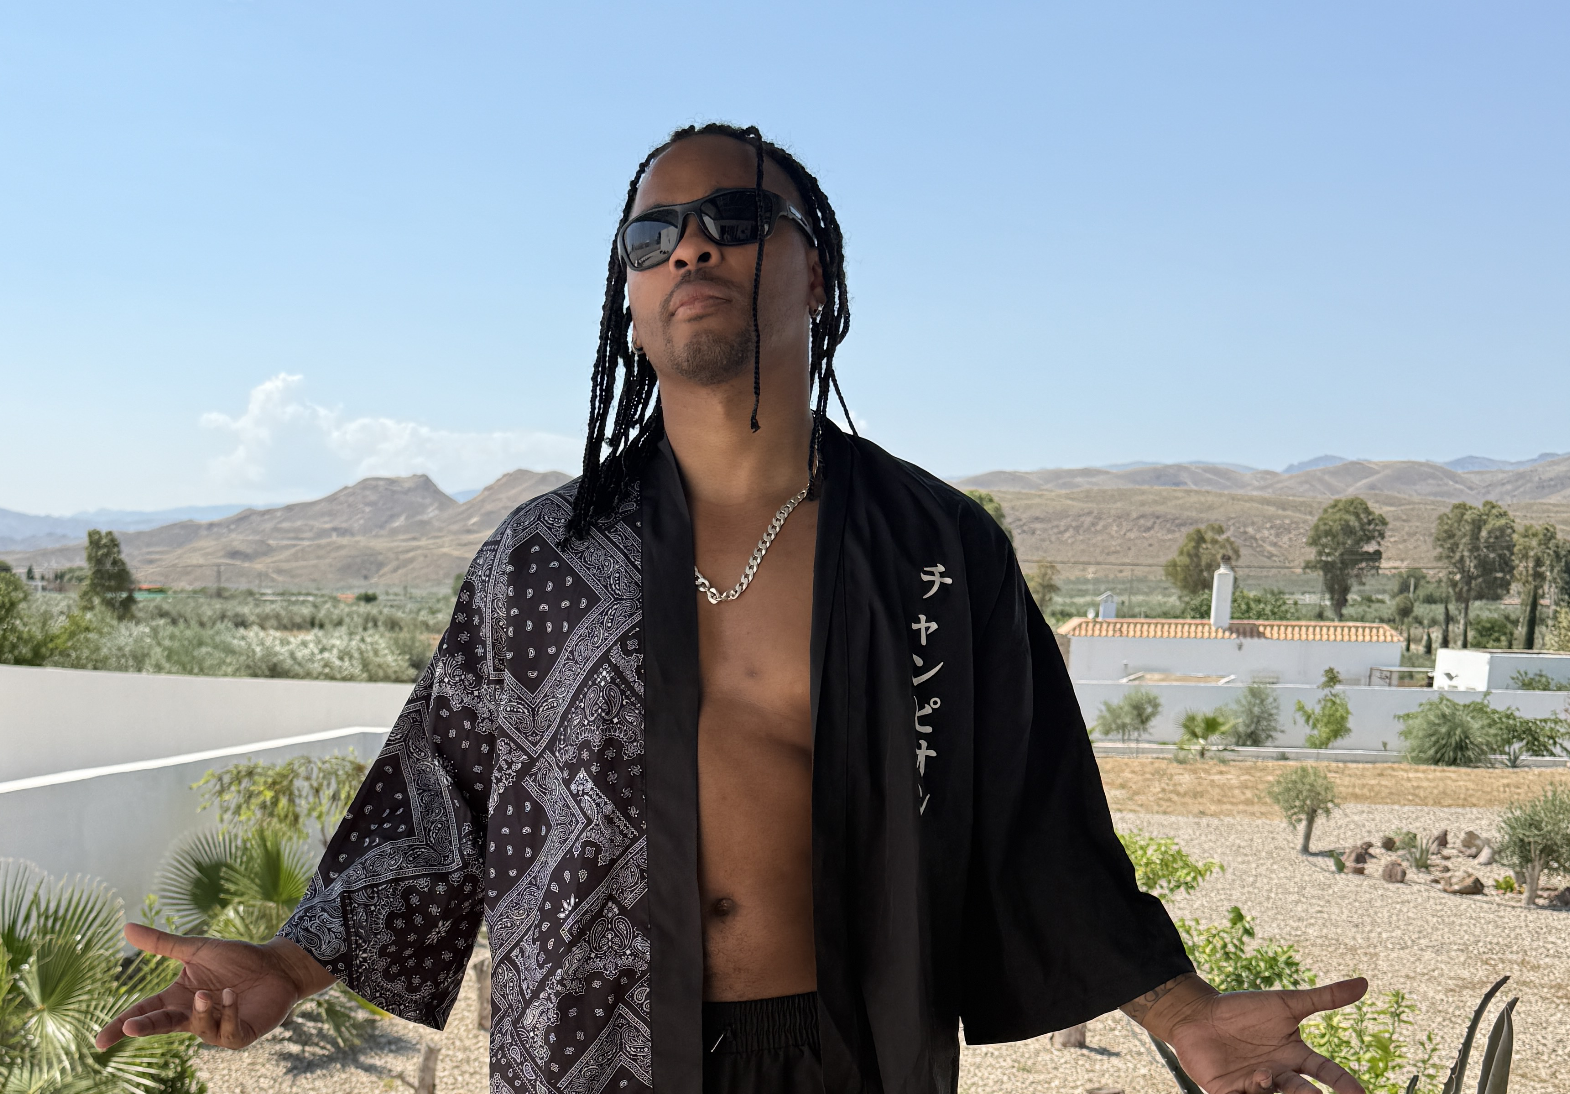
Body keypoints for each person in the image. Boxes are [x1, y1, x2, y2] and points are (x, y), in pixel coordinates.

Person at [98, 124, 1366, 1094]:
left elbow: (1031, 816)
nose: (688, 248)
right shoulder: (540, 556)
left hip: (852, 1051)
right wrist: (291, 962)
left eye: (734, 218)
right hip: (588, 1053)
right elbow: (440, 796)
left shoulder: (936, 549)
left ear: (815, 270)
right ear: (629, 297)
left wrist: (1184, 1013)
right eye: (651, 235)